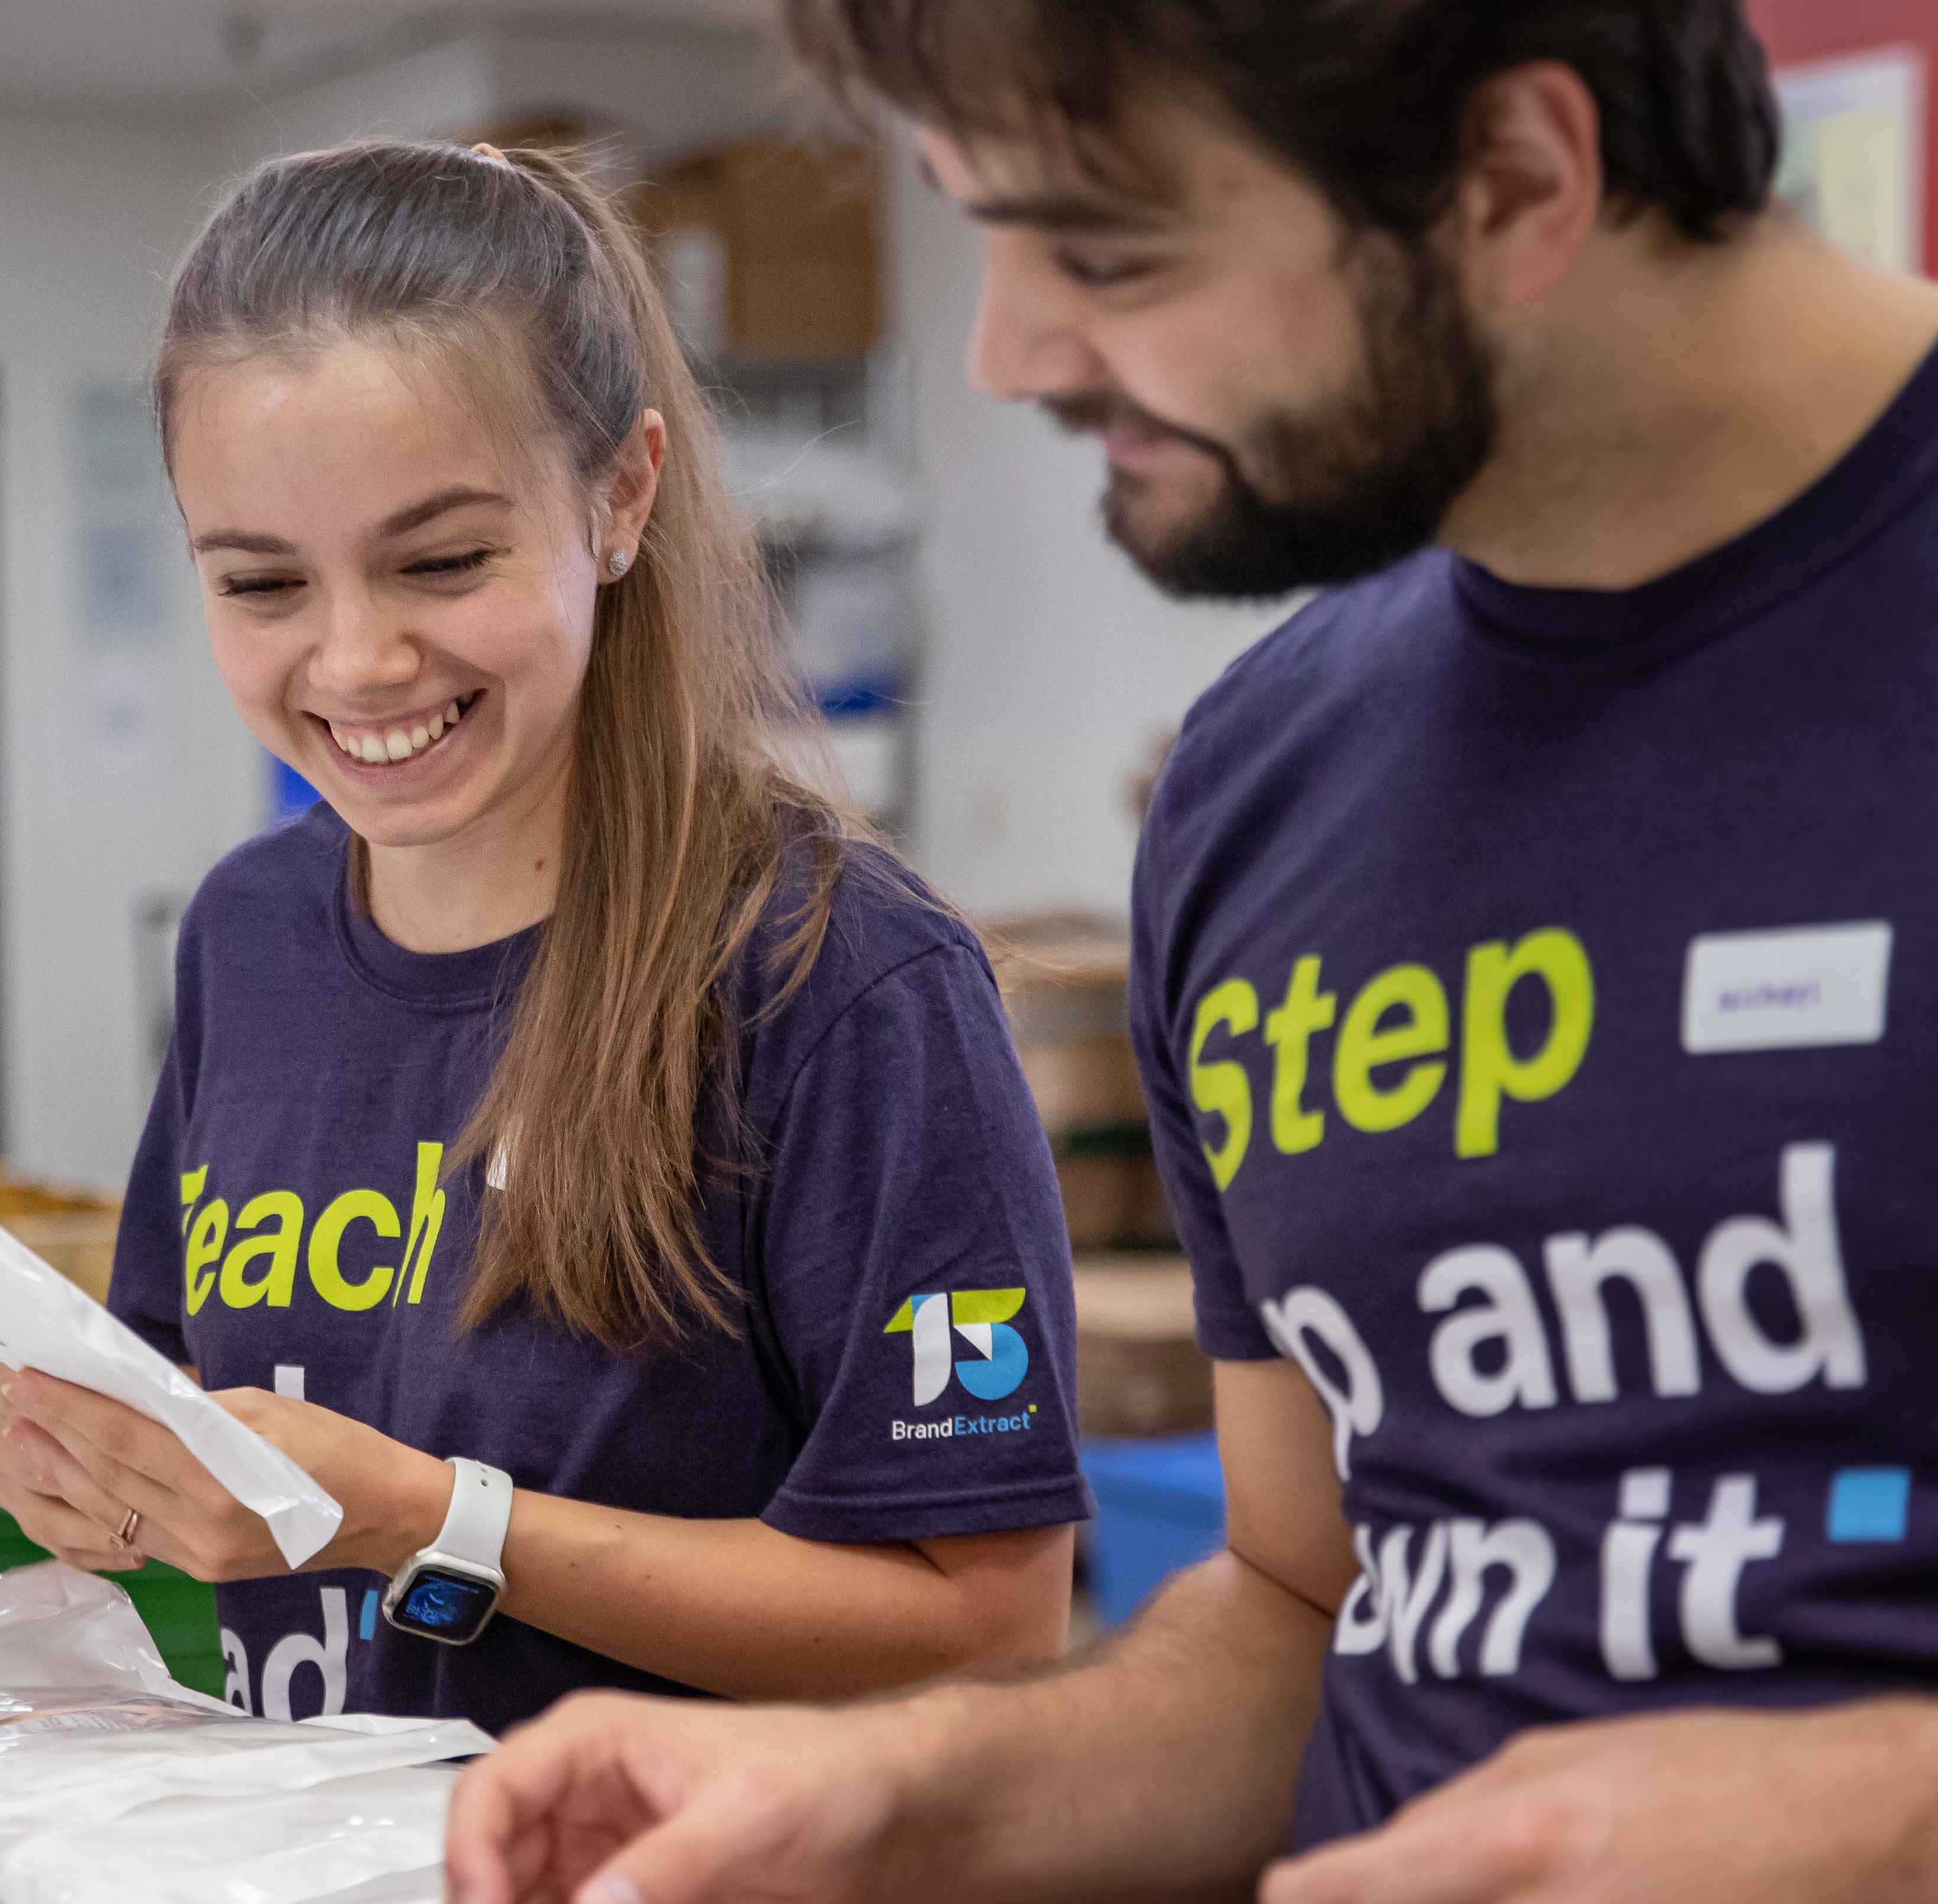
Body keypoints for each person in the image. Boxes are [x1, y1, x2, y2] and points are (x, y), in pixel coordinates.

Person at [446, 2, 1938, 1900]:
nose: (1008, 355)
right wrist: (904, 1793)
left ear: (1511, 179)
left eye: (1103, 252)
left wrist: (1874, 1813)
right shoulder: (1262, 787)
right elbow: (1301, 1607)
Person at [0, 139, 1089, 1738]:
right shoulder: (248, 932)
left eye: (441, 561)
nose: (354, 660)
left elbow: (985, 1631)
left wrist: (439, 1524)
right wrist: (93, 1477)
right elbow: (194, 1433)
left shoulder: (834, 977)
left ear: (617, 496)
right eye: (261, 580)